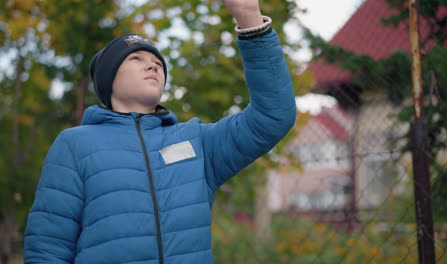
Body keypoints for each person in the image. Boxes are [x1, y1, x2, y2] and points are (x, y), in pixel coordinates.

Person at [23, 0, 296, 263]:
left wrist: (249, 16)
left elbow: (272, 116)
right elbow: (48, 248)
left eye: (157, 62)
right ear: (109, 80)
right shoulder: (75, 144)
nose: (153, 64)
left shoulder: (198, 142)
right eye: (136, 58)